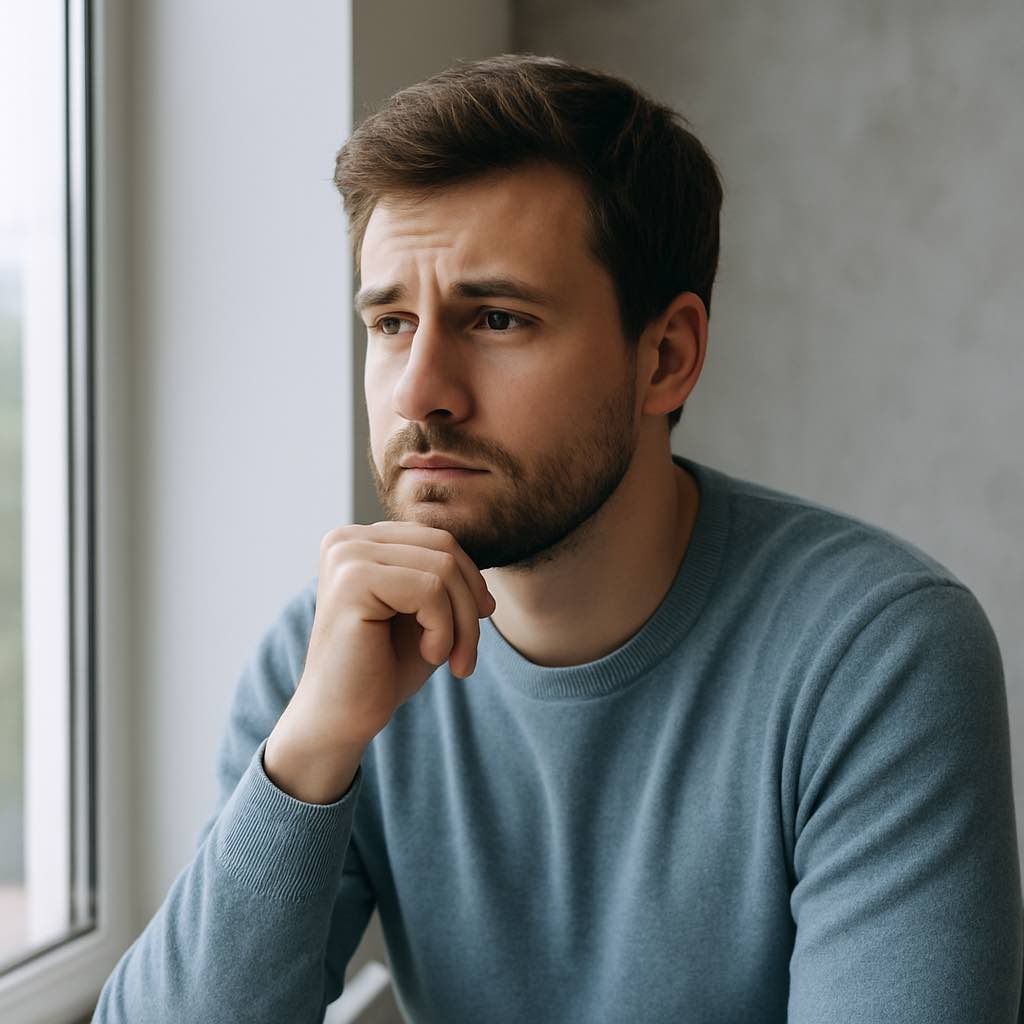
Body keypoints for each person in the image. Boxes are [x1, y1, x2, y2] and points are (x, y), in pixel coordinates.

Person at [94, 54, 1023, 1023]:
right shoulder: (325, 659)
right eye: (391, 322)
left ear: (665, 357)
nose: (419, 391)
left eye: (496, 319)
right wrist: (310, 749)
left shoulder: (875, 656)